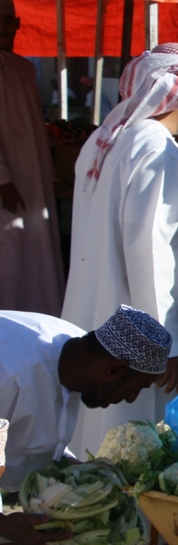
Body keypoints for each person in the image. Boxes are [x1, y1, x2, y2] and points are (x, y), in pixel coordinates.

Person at [61, 44, 178, 457]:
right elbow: (148, 250)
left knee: (95, 442)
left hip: (98, 322)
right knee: (138, 448)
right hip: (139, 335)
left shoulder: (104, 141)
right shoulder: (157, 150)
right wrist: (167, 347)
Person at [1, 305, 170, 492]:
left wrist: (78, 467)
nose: (131, 399)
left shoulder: (82, 355)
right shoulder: (10, 374)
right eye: (134, 388)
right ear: (113, 370)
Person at [0, 0, 65, 316]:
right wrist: (2, 178)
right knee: (10, 255)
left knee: (37, 252)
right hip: (8, 182)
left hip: (34, 177)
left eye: (7, 20)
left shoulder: (24, 68)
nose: (3, 27)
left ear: (17, 23)